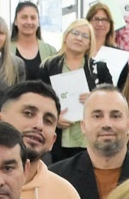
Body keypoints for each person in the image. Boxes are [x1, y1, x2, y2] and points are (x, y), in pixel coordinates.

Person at [43, 20, 114, 165]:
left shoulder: (99, 69)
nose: (79, 38)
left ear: (89, 43)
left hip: (89, 139)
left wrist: (95, 98)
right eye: (75, 33)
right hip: (59, 140)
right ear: (66, 36)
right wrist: (54, 118)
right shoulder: (48, 66)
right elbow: (40, 100)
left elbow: (112, 99)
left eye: (85, 36)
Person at [11, 1, 48, 78]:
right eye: (24, 17)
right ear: (15, 21)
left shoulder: (50, 51)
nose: (29, 22)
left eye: (33, 18)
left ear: (38, 22)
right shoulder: (5, 49)